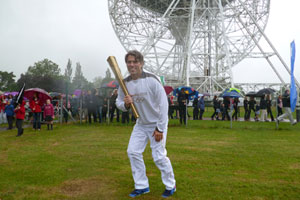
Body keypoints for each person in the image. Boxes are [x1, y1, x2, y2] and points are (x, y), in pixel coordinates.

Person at [116, 50, 176, 198]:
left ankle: (170, 185)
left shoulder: (152, 79)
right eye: (129, 62)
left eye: (135, 62)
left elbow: (164, 105)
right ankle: (142, 186)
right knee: (133, 152)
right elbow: (118, 102)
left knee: (159, 157)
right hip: (141, 124)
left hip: (156, 123)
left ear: (141, 63)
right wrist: (126, 104)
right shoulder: (125, 83)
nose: (132, 65)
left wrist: (160, 129)